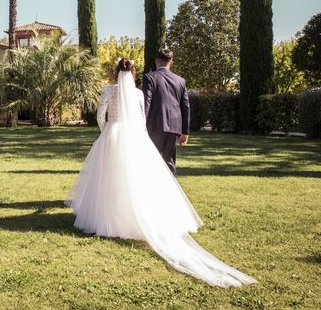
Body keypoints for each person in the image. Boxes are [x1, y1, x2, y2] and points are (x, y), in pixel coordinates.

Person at [65, 58, 255, 287]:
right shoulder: (136, 94)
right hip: (134, 135)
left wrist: (105, 131)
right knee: (135, 177)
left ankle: (109, 217)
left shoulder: (108, 90)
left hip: (113, 133)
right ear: (133, 72)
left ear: (116, 72)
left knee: (109, 176)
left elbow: (99, 115)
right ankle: (133, 216)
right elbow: (141, 118)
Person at [142, 49, 189, 174]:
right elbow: (185, 107)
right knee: (169, 162)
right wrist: (185, 132)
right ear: (171, 62)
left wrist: (142, 125)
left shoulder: (149, 77)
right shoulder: (181, 81)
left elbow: (147, 103)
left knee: (151, 160)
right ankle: (170, 191)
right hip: (175, 127)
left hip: (155, 126)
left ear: (157, 61)